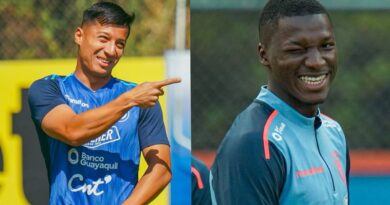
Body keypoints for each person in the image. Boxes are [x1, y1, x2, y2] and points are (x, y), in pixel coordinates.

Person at [28, 2, 180, 205]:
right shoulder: (49, 89)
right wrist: (129, 100)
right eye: (103, 39)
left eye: (120, 44)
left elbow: (162, 169)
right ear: (79, 35)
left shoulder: (142, 101)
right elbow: (71, 131)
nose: (111, 50)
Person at [210, 0, 350, 204]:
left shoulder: (333, 132)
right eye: (296, 50)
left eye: (326, 46)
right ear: (264, 55)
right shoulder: (255, 143)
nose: (317, 61)